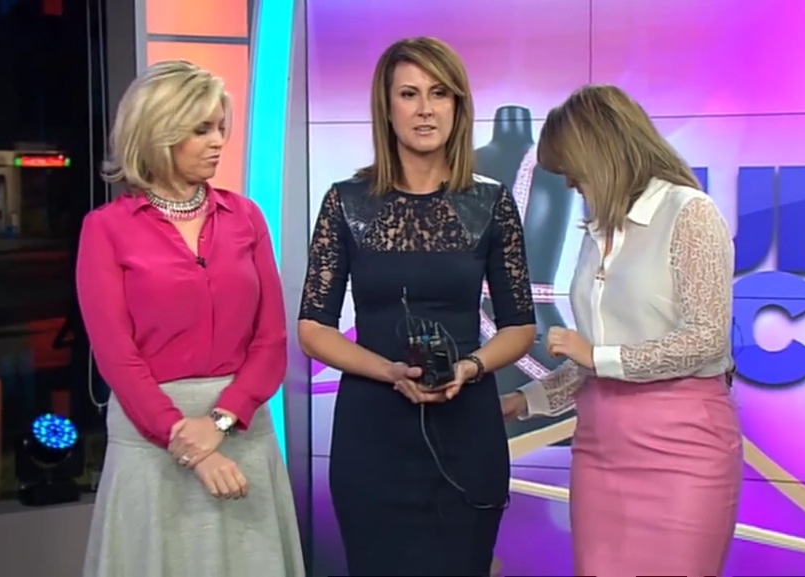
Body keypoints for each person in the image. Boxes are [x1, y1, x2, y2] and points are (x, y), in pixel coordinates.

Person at [298, 37, 536, 576]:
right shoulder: (345, 202)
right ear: (387, 108)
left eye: (439, 93)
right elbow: (314, 328)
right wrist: (387, 371)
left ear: (458, 106)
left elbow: (520, 326)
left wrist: (469, 367)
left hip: (466, 426)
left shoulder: (492, 203)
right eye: (409, 94)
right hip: (372, 431)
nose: (425, 109)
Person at [500, 85, 742, 576]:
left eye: (571, 169)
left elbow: (705, 339)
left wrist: (596, 356)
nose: (570, 184)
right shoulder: (598, 232)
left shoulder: (689, 213)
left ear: (602, 152)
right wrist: (524, 402)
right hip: (599, 452)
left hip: (682, 453)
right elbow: (594, 364)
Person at [77, 60, 304, 577]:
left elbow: (270, 339)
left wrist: (221, 421)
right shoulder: (106, 229)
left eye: (220, 127)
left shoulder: (246, 217)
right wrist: (189, 443)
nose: (218, 141)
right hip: (151, 438)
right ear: (159, 132)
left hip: (241, 430)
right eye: (201, 129)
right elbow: (117, 356)